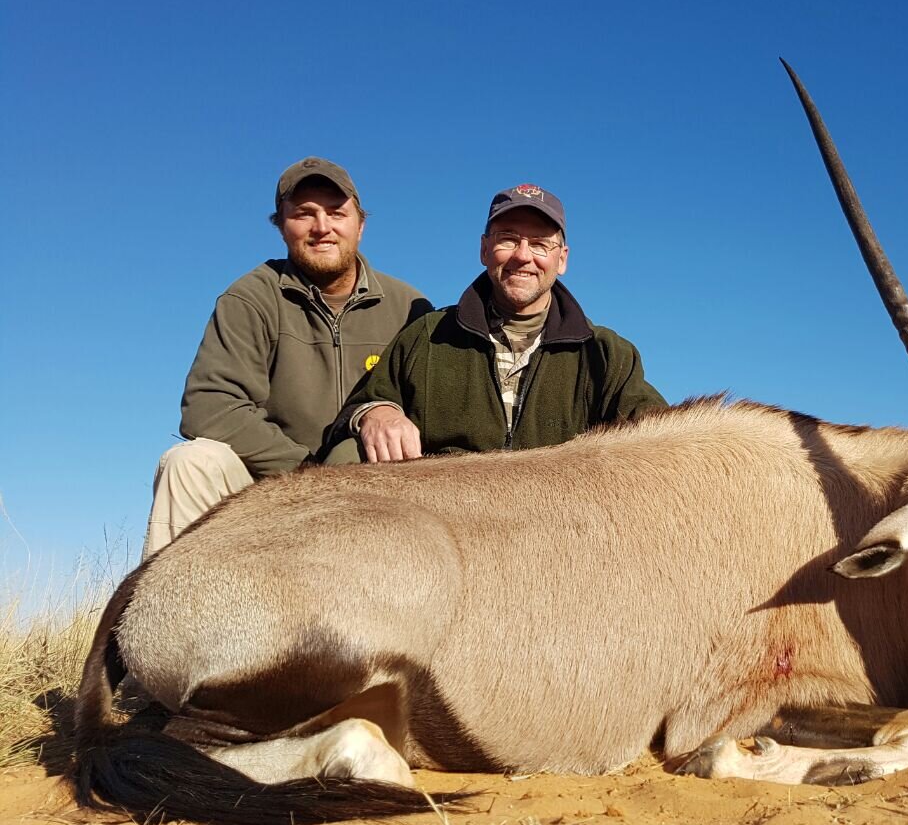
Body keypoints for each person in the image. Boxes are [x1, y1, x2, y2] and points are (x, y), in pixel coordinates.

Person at [144, 157, 431, 557]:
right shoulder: (250, 297)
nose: (322, 228)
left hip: (377, 496)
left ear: (360, 225)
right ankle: (165, 615)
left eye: (336, 213)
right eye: (304, 214)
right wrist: (307, 475)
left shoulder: (411, 307)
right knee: (189, 464)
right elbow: (209, 407)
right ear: (281, 226)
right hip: (273, 488)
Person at [323, 183, 665, 463]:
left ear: (561, 260)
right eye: (508, 238)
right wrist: (376, 413)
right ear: (485, 250)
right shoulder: (426, 336)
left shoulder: (607, 355)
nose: (523, 255)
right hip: (447, 529)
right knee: (348, 454)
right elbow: (358, 406)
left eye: (540, 244)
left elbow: (660, 431)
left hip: (561, 531)